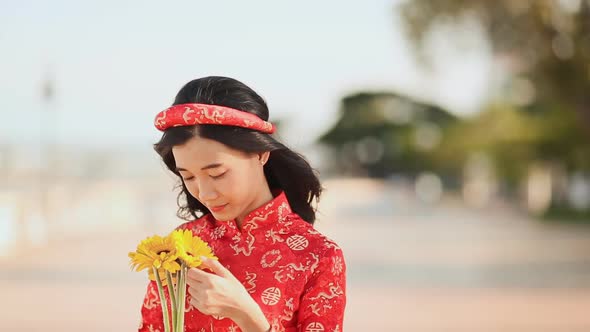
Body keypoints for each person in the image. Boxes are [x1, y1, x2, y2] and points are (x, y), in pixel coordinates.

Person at [138, 76, 346, 332]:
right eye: (188, 176)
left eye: (217, 174)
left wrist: (248, 317)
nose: (205, 193)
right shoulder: (177, 248)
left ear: (260, 153)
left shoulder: (317, 256)